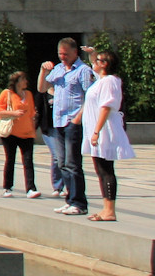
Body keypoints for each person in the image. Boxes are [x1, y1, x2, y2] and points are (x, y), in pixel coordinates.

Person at [40, 37, 95, 215]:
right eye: (60, 54)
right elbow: (42, 88)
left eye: (66, 54)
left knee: (73, 163)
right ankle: (70, 198)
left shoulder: (83, 70)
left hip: (73, 120)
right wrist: (43, 70)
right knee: (62, 162)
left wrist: (79, 117)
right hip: (59, 120)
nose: (63, 57)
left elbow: (91, 95)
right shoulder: (58, 69)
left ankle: (79, 202)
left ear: (74, 53)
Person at [83, 49, 135, 223]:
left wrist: (97, 131)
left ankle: (110, 210)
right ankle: (106, 208)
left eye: (97, 61)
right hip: (97, 129)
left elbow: (106, 106)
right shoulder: (102, 80)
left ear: (104, 64)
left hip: (104, 129)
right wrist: (93, 54)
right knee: (100, 170)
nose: (94, 63)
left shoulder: (110, 81)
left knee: (106, 169)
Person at [0, 70, 39, 198]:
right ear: (17, 82)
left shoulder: (29, 94)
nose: (26, 81)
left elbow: (31, 113)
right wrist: (14, 114)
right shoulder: (7, 94)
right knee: (10, 159)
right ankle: (7, 187)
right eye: (23, 79)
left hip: (27, 132)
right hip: (10, 133)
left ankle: (31, 188)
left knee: (28, 160)